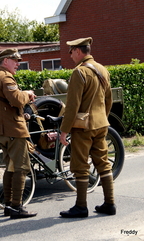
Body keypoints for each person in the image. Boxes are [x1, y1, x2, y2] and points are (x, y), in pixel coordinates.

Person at [59, 37, 115, 218]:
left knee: (80, 165)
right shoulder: (103, 70)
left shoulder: (79, 73)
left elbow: (72, 106)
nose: (70, 56)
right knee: (103, 163)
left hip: (83, 127)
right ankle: (109, 203)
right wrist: (102, 118)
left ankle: (81, 206)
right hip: (101, 124)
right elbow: (108, 100)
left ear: (78, 51)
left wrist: (64, 130)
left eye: (71, 52)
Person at [0, 48, 37, 219]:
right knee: (21, 167)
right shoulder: (6, 77)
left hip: (0, 130)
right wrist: (28, 94)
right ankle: (17, 206)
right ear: (6, 60)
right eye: (15, 61)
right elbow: (16, 99)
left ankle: (9, 205)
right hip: (13, 129)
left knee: (10, 167)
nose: (18, 64)